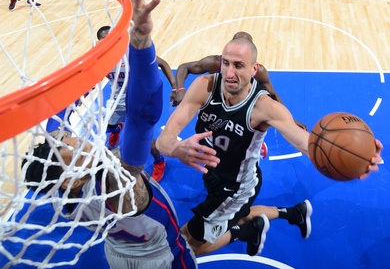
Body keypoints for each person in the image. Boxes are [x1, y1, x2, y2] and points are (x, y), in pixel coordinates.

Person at [24, 0, 197, 268]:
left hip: (115, 250)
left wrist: (81, 77)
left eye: (68, 139)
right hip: (158, 253)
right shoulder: (117, 183)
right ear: (70, 181)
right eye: (69, 149)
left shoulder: (60, 192)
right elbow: (143, 117)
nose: (77, 141)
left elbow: (57, 122)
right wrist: (142, 42)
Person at [156, 36, 383, 256]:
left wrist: (358, 161)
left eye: (238, 66)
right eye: (225, 63)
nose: (229, 73)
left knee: (185, 244)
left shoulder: (266, 107)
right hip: (213, 174)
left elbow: (308, 145)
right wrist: (176, 149)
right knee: (237, 214)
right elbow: (163, 140)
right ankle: (290, 214)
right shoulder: (204, 86)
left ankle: (244, 232)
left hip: (236, 188)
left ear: (254, 69)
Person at [170, 32, 307, 131]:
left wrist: (289, 121)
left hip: (242, 102)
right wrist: (179, 89)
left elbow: (272, 94)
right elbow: (184, 67)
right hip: (217, 101)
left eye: (239, 64)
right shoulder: (215, 62)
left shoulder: (259, 71)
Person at [96, 25, 177, 182]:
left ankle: (159, 161)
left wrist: (176, 87)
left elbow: (163, 64)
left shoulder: (131, 53)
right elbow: (93, 79)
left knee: (143, 137)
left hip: (139, 100)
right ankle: (117, 128)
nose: (108, 43)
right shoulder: (100, 60)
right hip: (118, 99)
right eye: (103, 41)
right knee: (108, 126)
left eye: (110, 39)